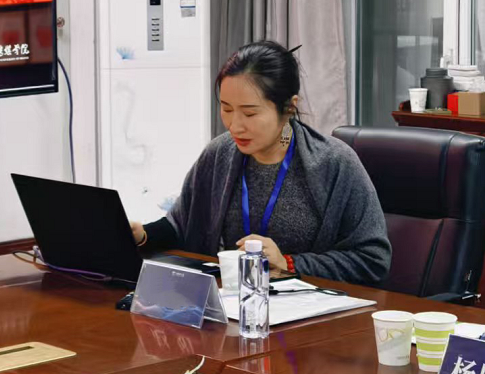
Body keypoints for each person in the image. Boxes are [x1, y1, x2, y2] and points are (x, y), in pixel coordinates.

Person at [130, 40, 390, 285]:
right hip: (234, 304)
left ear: (289, 107)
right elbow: (181, 225)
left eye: (250, 113)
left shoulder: (334, 163)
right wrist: (142, 235)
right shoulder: (219, 153)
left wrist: (288, 263)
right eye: (227, 109)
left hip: (312, 309)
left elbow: (373, 260)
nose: (235, 125)